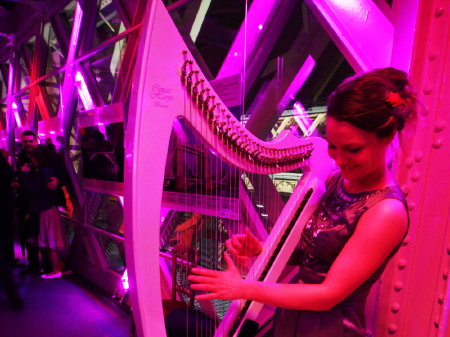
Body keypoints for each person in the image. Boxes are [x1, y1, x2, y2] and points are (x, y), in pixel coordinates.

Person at [188, 67, 417, 336]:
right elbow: (316, 254)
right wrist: (259, 250)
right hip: (295, 319)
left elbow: (328, 295)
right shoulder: (337, 181)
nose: (339, 160)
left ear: (387, 138)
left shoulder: (386, 211)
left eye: (353, 149)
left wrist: (241, 287)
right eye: (333, 145)